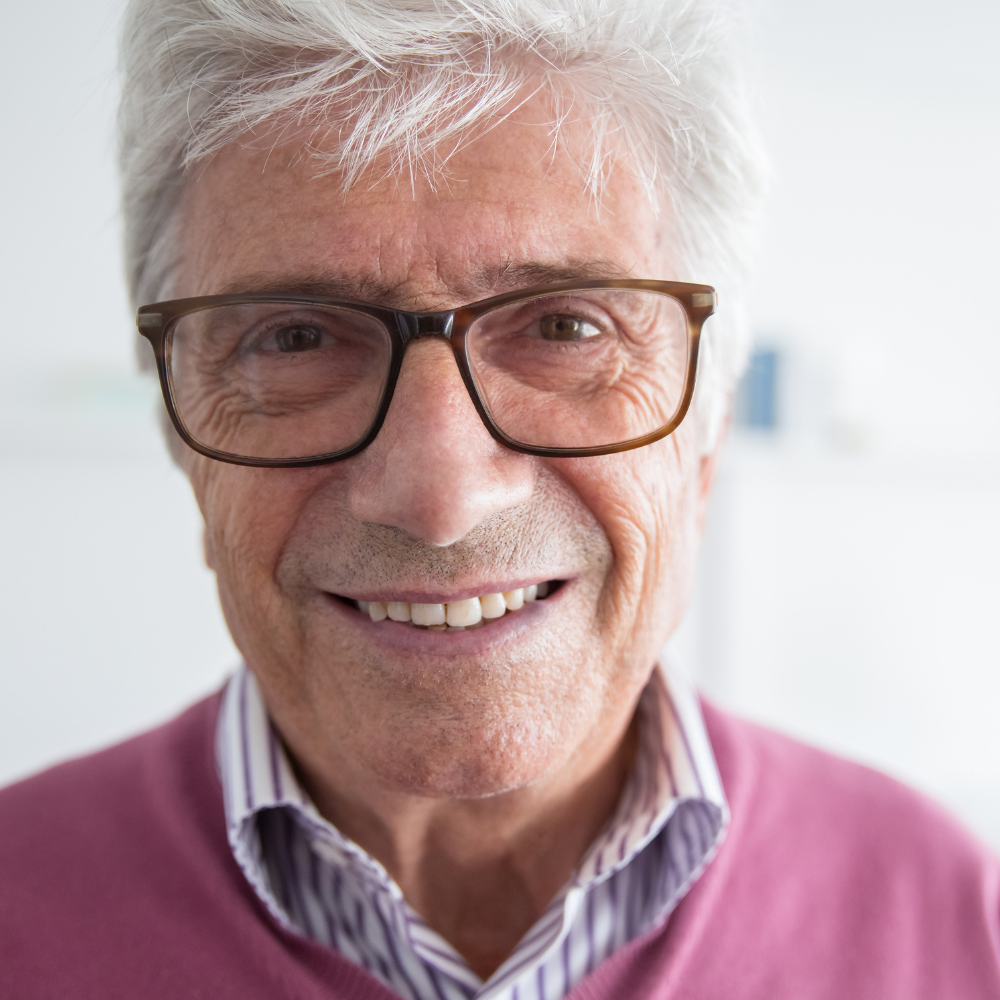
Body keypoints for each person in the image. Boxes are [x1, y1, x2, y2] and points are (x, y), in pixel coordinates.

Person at [2, 0, 998, 996]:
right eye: (297, 337)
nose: (441, 499)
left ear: (710, 429)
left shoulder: (952, 917)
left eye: (565, 328)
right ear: (184, 446)